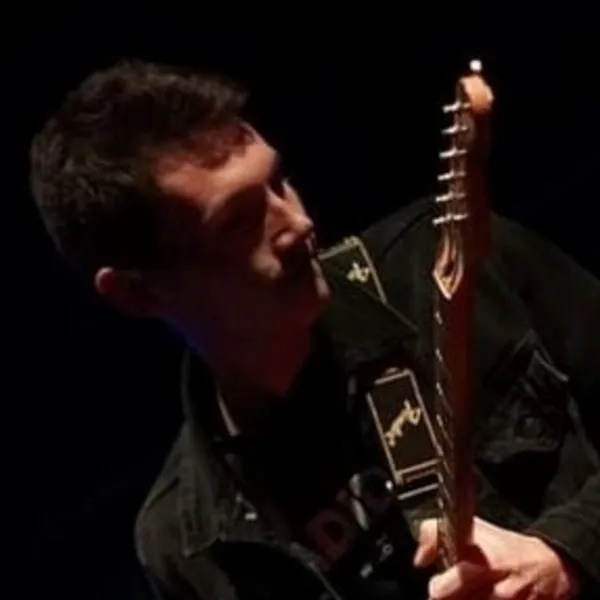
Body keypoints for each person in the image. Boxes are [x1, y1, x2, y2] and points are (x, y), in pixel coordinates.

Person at [28, 59, 600, 600]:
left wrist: (566, 553)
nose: (298, 223)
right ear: (139, 293)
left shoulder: (446, 263)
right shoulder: (185, 543)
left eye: (278, 183)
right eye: (239, 222)